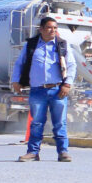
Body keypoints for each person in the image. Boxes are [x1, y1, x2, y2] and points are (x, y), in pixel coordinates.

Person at [12, 16, 76, 162]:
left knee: (60, 122)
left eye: (55, 28)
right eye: (49, 27)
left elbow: (72, 65)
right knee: (37, 123)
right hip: (37, 91)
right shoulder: (31, 45)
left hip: (58, 90)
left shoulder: (62, 45)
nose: (52, 30)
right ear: (41, 29)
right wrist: (16, 80)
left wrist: (67, 84)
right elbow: (19, 64)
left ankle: (63, 152)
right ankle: (33, 152)